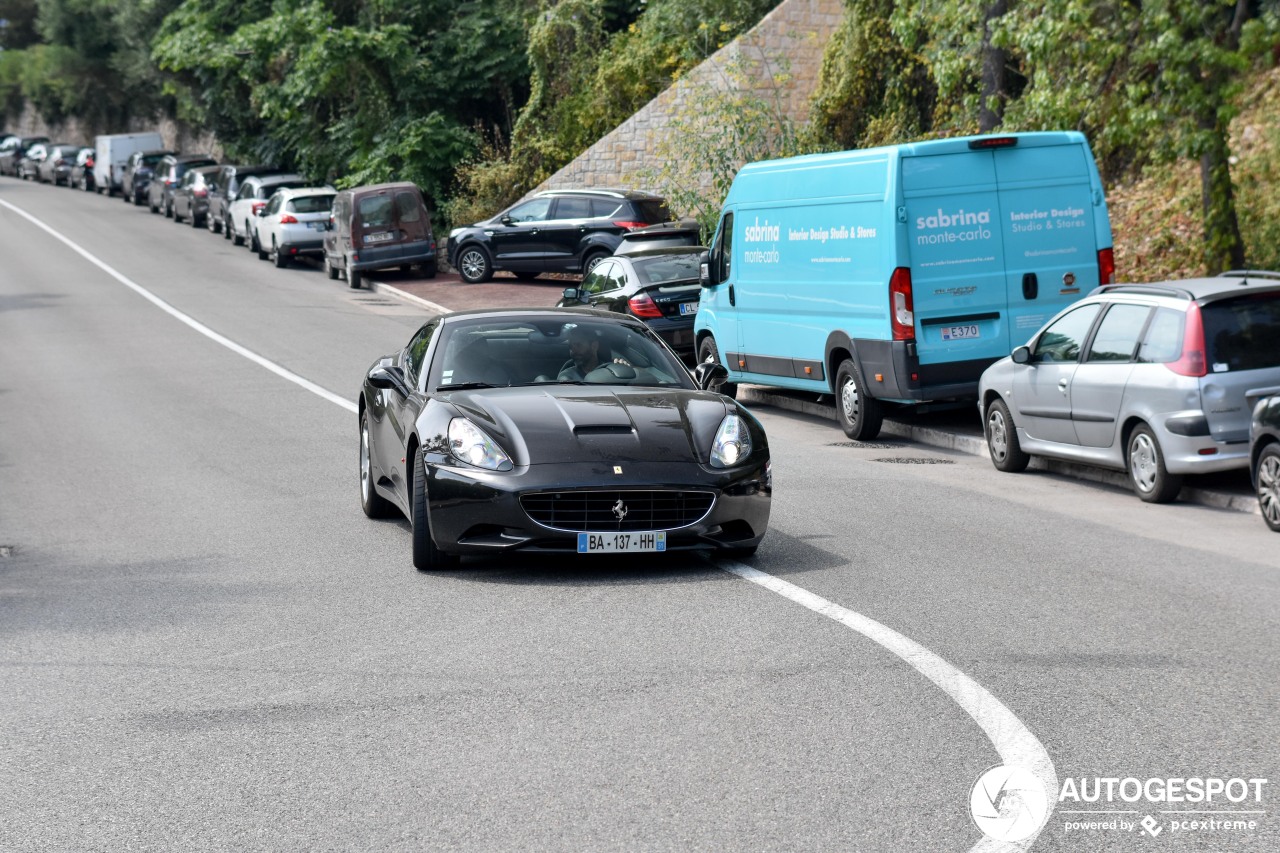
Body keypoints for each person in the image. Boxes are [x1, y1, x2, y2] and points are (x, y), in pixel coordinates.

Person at [557, 325, 630, 381]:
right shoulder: (567, 376)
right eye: (570, 347)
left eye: (578, 345)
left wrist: (623, 369)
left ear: (594, 346)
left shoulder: (613, 371)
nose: (573, 351)